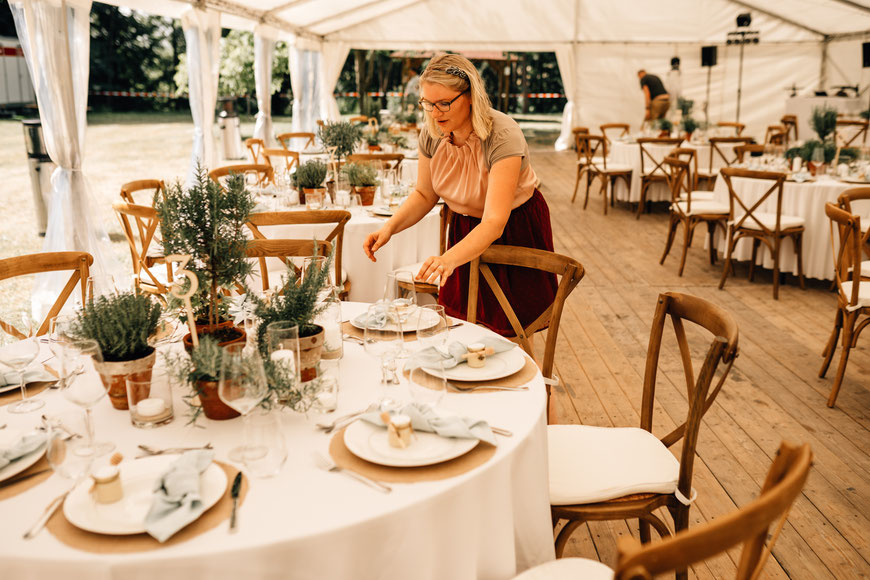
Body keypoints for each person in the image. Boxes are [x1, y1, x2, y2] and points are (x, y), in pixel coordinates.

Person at [363, 53, 557, 337]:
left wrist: (447, 260)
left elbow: (493, 222)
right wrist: (389, 228)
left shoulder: (502, 135)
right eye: (428, 104)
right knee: (466, 324)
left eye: (444, 103)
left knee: (511, 330)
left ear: (470, 97)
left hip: (513, 226)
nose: (435, 112)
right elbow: (424, 193)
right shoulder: (432, 132)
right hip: (466, 229)